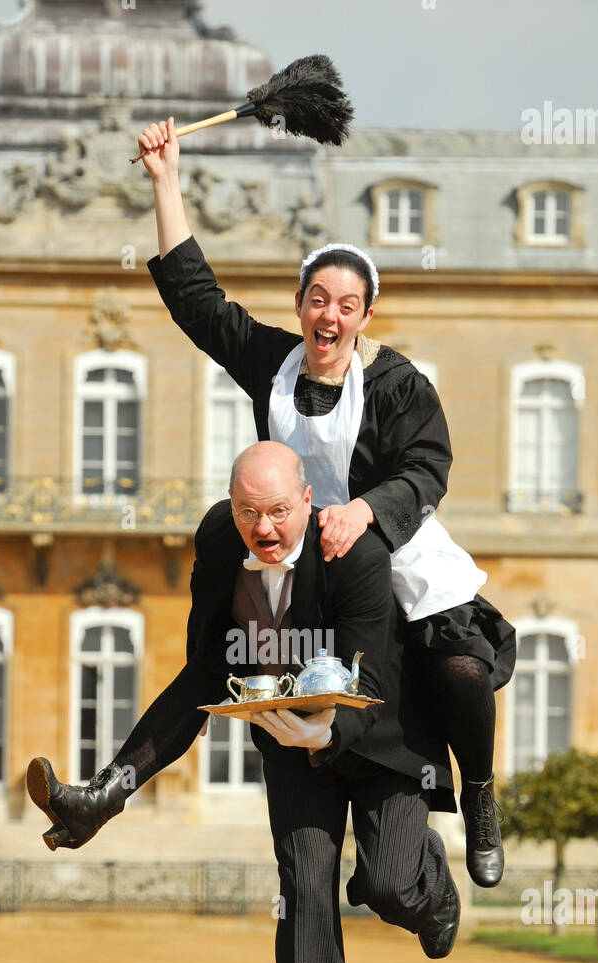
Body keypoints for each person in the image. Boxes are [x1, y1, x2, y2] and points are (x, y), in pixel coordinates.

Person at [27, 443, 461, 963]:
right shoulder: (218, 545)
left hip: (382, 739)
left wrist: (324, 737)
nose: (264, 528)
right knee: (305, 883)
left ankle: (424, 881)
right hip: (288, 738)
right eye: (248, 512)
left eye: (279, 512)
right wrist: (117, 784)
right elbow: (203, 675)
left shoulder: (355, 556)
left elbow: (374, 684)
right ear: (231, 508)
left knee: (386, 885)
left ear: (308, 504)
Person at [134, 116, 516, 888]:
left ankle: (476, 792)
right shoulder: (273, 363)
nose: (329, 316)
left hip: (392, 551)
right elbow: (198, 302)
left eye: (347, 304)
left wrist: (366, 510)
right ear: (301, 305)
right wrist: (166, 180)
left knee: (465, 675)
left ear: (366, 316)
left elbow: (429, 465)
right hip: (303, 563)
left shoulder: (397, 382)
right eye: (317, 299)